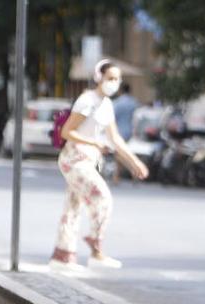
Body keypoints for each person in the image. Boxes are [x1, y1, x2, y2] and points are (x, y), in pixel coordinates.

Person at [50, 59, 149, 271]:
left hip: (89, 161)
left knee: (72, 207)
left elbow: (115, 139)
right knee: (102, 197)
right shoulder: (88, 100)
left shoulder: (107, 105)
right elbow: (67, 132)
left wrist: (134, 162)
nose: (114, 82)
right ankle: (96, 248)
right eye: (110, 78)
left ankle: (62, 257)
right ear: (99, 78)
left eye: (117, 79)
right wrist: (93, 142)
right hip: (74, 160)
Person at [111, 82, 139, 183]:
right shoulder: (134, 102)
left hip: (118, 131)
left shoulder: (117, 103)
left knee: (118, 154)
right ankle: (116, 176)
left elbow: (112, 118)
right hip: (130, 131)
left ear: (120, 90)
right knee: (122, 153)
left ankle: (133, 170)